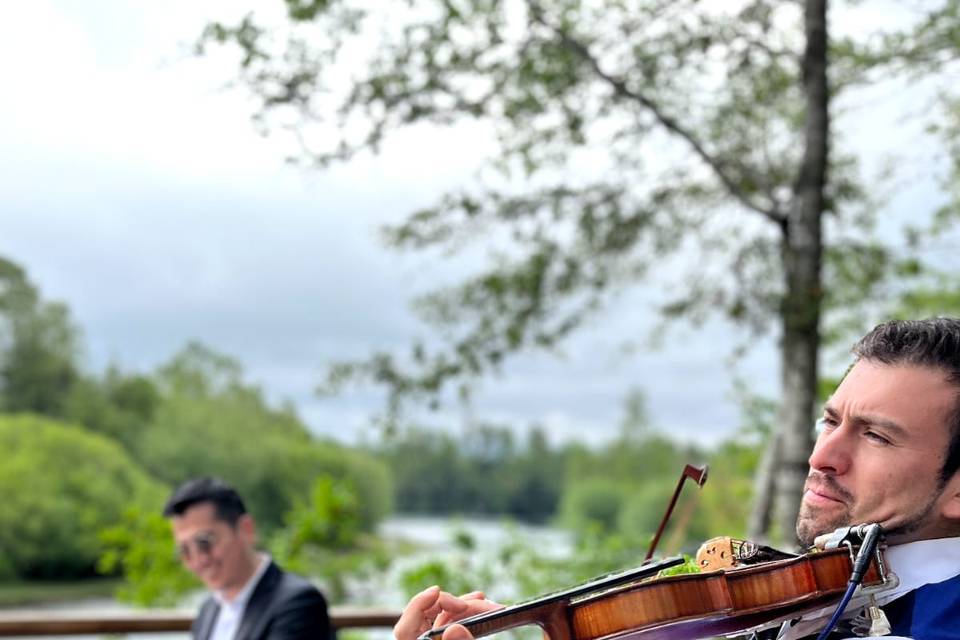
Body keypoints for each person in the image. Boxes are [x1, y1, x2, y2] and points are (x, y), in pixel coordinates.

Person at [393, 318, 960, 640]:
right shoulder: (820, 593)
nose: (823, 456)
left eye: (876, 436)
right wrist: (544, 620)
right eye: (829, 421)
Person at [164, 477, 332, 640]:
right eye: (185, 550)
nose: (198, 559)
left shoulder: (299, 603)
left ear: (246, 529)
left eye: (205, 542)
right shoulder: (208, 610)